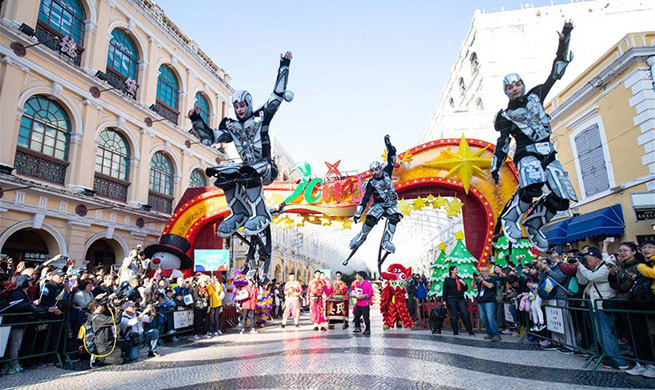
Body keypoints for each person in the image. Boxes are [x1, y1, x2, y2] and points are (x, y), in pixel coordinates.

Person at [189, 52, 294, 281]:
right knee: (222, 174)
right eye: (235, 105)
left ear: (248, 104)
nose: (239, 109)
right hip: (247, 168)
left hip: (265, 167)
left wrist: (284, 65)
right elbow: (210, 138)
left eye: (242, 105)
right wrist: (197, 121)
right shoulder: (232, 126)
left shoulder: (260, 119)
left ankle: (260, 213)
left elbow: (276, 97)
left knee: (248, 173)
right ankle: (238, 212)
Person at [490, 20, 578, 252]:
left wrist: (565, 39)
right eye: (510, 87)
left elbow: (556, 71)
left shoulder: (536, 94)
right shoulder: (506, 115)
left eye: (517, 84)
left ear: (522, 84)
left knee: (562, 197)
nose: (515, 88)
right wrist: (496, 167)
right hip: (526, 152)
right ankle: (510, 218)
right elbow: (502, 143)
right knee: (533, 185)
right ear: (506, 91)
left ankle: (534, 222)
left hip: (548, 150)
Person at [349, 135, 402, 271]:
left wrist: (388, 144)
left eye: (376, 169)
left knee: (395, 217)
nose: (374, 172)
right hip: (378, 204)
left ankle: (387, 241)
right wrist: (358, 213)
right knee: (371, 218)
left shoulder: (387, 172)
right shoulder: (371, 183)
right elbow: (365, 198)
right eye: (372, 171)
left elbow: (392, 155)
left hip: (390, 203)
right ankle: (361, 237)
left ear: (379, 168)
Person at [574, 246, 629, 370]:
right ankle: (608, 356)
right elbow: (583, 281)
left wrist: (581, 266)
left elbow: (594, 278)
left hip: (603, 305)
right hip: (595, 305)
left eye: (587, 259)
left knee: (605, 333)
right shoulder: (593, 269)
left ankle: (619, 360)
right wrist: (578, 267)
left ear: (595, 258)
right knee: (599, 334)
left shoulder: (606, 267)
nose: (586, 261)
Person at [85, 299, 124, 365]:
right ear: (96, 307)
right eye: (101, 305)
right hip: (102, 347)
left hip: (105, 343)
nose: (104, 306)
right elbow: (116, 320)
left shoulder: (92, 316)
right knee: (120, 359)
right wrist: (118, 309)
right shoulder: (98, 318)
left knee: (126, 345)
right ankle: (99, 359)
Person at [442, 266, 475, 336]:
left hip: (460, 299)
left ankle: (470, 331)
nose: (457, 271)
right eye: (455, 269)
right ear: (451, 271)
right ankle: (455, 331)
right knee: (454, 316)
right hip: (451, 299)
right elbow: (445, 291)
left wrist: (464, 283)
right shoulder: (447, 280)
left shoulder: (459, 278)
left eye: (457, 269)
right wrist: (444, 300)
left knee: (465, 314)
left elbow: (465, 289)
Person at [474, 267, 501, 342]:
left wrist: (482, 280)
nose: (482, 273)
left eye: (484, 271)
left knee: (490, 318)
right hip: (481, 301)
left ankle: (496, 334)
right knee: (483, 318)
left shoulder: (491, 279)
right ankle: (490, 333)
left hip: (489, 301)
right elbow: (472, 287)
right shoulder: (480, 281)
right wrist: (474, 279)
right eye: (481, 271)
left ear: (488, 272)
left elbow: (490, 286)